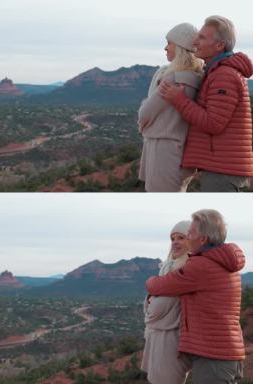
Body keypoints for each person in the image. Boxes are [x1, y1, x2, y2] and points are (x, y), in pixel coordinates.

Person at [146, 209, 245, 384]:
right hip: (226, 351)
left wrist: (150, 282)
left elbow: (159, 285)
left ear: (203, 238)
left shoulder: (202, 265)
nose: (187, 237)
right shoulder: (223, 262)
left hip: (213, 355)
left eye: (189, 233)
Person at [159, 16, 253, 192]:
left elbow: (214, 123)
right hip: (221, 167)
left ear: (219, 45)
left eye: (202, 37)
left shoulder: (223, 75)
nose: (195, 41)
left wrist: (179, 99)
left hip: (223, 170)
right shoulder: (216, 72)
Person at [138, 23, 203, 192]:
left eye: (169, 43)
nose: (165, 48)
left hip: (163, 151)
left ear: (180, 47)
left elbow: (145, 113)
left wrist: (143, 121)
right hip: (182, 148)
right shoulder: (198, 77)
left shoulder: (173, 78)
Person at [141, 220, 192, 383]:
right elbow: (152, 303)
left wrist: (152, 296)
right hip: (156, 336)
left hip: (172, 341)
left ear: (192, 239)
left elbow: (158, 306)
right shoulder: (166, 267)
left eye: (181, 237)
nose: (175, 242)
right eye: (172, 238)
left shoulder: (189, 269)